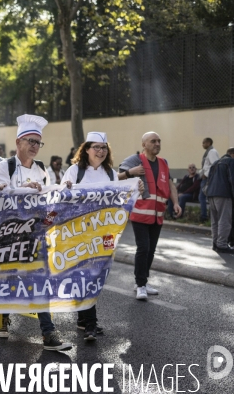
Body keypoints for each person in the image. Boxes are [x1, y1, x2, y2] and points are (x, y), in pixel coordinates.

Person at [0, 114, 72, 352]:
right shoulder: (6, 166)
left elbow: (47, 199)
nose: (35, 146)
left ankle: (48, 334)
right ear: (18, 143)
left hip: (34, 236)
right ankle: (2, 316)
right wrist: (21, 189)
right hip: (7, 236)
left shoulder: (41, 169)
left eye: (38, 142)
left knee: (40, 280)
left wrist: (60, 195)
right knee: (5, 279)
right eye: (31, 141)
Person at [61, 132, 118, 341]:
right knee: (85, 276)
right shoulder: (75, 171)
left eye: (104, 147)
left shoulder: (111, 173)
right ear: (86, 149)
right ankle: (91, 324)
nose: (101, 151)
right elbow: (60, 198)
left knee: (95, 276)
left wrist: (135, 188)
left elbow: (118, 201)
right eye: (96, 147)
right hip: (78, 232)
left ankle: (83, 320)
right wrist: (64, 190)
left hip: (103, 233)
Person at [118, 132, 181, 301]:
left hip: (157, 214)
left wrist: (175, 202)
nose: (157, 144)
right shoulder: (134, 160)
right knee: (143, 248)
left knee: (151, 250)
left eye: (159, 141)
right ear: (144, 144)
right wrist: (130, 172)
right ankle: (140, 285)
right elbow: (116, 178)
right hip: (140, 213)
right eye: (153, 141)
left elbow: (169, 184)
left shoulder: (163, 163)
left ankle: (143, 282)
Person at [206, 148, 234, 253]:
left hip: (211, 194)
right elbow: (232, 180)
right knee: (224, 220)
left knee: (215, 220)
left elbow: (208, 180)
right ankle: (222, 244)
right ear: (232, 154)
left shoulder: (215, 163)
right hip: (224, 194)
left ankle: (215, 243)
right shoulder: (231, 162)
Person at [199, 138, 220, 223]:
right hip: (206, 177)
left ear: (208, 143)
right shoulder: (208, 152)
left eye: (203, 143)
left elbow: (214, 165)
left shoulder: (212, 152)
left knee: (203, 197)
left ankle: (204, 216)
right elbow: (206, 165)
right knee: (203, 197)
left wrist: (206, 174)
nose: (202, 144)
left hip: (208, 178)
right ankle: (205, 216)